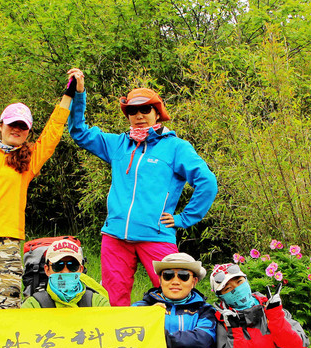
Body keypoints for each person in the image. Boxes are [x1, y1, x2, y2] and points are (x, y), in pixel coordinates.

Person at [68, 69, 219, 306]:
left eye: (145, 109)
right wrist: (79, 95)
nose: (138, 115)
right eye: (132, 110)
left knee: (175, 295)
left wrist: (184, 219)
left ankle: (179, 340)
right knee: (113, 301)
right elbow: (79, 132)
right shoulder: (118, 144)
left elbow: (207, 182)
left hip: (156, 235)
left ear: (157, 113)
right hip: (115, 236)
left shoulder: (176, 147)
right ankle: (118, 343)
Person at [0, 70, 82, 309]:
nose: (17, 129)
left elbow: (52, 132)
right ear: (1, 125)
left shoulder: (29, 160)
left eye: (23, 127)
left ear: (28, 131)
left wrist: (69, 95)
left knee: (9, 305)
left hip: (8, 241)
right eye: (12, 124)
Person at [20, 238, 110, 308]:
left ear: (81, 269)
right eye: (58, 265)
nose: (65, 271)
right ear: (47, 270)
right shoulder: (33, 305)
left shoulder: (98, 302)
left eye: (73, 266)